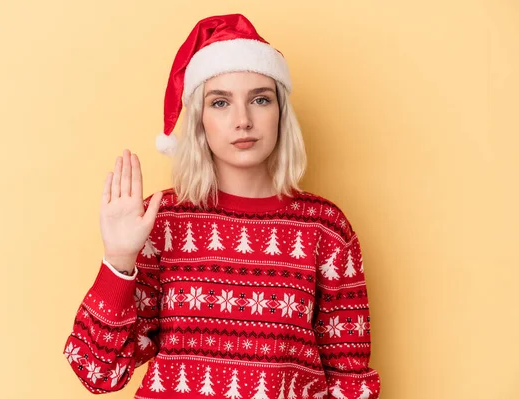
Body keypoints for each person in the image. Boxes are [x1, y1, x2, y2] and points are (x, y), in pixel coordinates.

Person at [63, 14, 381, 399]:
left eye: (260, 99)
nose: (243, 121)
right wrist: (118, 260)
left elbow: (350, 381)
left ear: (281, 112)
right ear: (199, 119)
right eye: (220, 103)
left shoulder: (326, 228)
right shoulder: (161, 221)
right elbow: (98, 373)